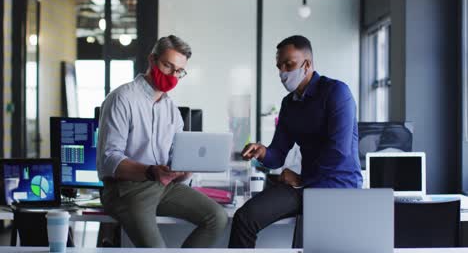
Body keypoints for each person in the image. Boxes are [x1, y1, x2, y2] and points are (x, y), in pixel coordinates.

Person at [228, 35, 363, 248]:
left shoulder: (337, 92)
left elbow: (338, 151)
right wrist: (262, 152)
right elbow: (277, 154)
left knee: (311, 243)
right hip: (305, 186)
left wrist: (301, 178)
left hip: (337, 186)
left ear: (307, 64)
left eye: (289, 65)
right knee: (245, 218)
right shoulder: (289, 103)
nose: (283, 72)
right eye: (279, 66)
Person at [97, 35, 228, 248]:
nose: (172, 75)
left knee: (217, 217)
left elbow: (173, 159)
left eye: (179, 71)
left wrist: (184, 171)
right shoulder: (122, 98)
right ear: (152, 60)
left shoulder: (172, 111)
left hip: (163, 186)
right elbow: (109, 160)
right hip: (126, 189)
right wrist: (151, 171)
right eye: (168, 66)